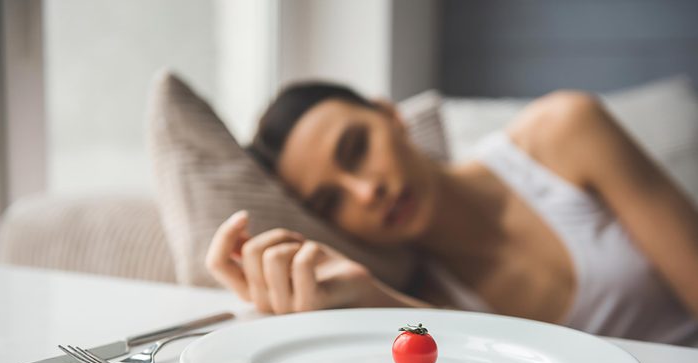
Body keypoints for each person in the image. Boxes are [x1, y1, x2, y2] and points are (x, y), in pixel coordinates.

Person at [205, 82, 698, 345]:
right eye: (330, 202)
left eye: (356, 148)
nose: (365, 191)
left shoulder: (564, 132)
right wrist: (373, 299)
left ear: (392, 116)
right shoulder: (421, 299)